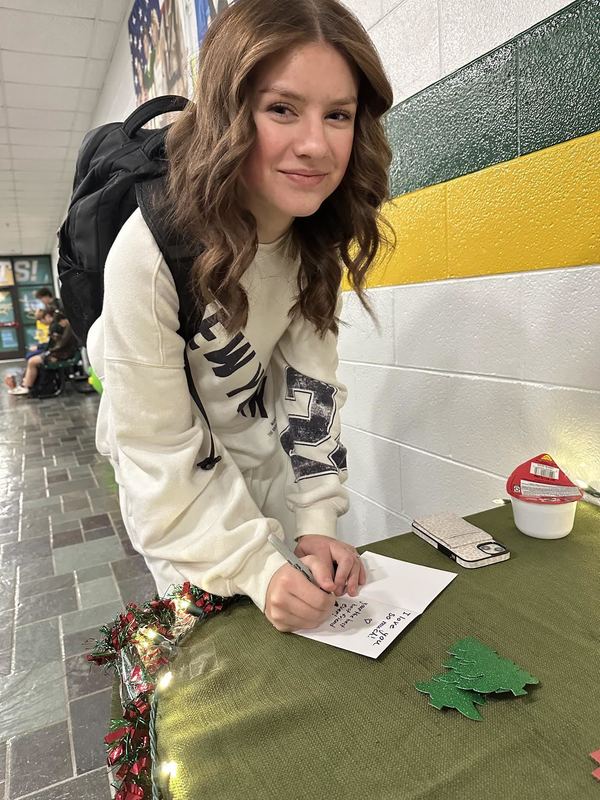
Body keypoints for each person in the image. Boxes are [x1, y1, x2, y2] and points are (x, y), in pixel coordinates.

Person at [87, 0, 395, 632]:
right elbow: (156, 454)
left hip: (262, 467)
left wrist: (315, 524)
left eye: (337, 115)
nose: (315, 145)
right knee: (223, 665)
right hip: (180, 509)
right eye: (282, 108)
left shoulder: (314, 242)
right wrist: (255, 568)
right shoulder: (148, 254)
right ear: (230, 111)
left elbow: (313, 389)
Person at [8, 312, 78, 396]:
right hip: (60, 354)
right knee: (32, 359)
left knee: (32, 361)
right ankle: (25, 384)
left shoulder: (69, 330)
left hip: (61, 355)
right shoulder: (68, 328)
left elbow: (62, 346)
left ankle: (27, 386)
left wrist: (50, 353)